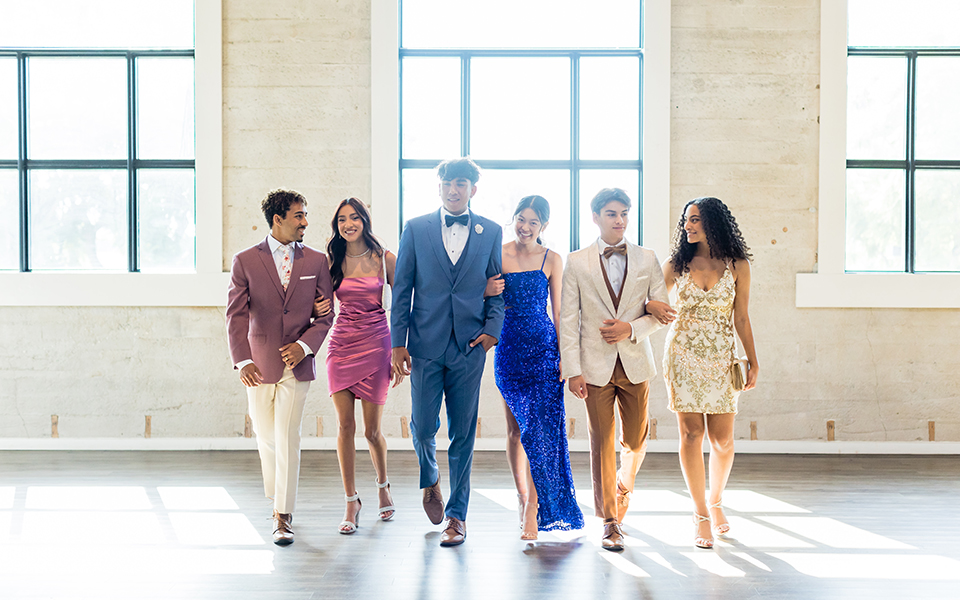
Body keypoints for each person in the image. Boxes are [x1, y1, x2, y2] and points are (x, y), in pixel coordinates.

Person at [390, 156, 505, 547]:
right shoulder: (416, 228)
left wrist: (492, 332)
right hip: (423, 344)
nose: (453, 190)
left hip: (470, 347)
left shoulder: (489, 230)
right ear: (438, 187)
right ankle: (431, 479)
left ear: (473, 188)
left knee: (463, 434)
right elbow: (402, 289)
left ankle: (457, 516)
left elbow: (498, 286)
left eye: (460, 184)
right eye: (447, 184)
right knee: (422, 428)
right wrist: (398, 343)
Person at [559, 188, 669, 552]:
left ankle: (624, 481)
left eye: (624, 213)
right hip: (594, 366)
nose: (619, 220)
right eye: (611, 213)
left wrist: (631, 329)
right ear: (595, 217)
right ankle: (609, 521)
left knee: (635, 440)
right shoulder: (576, 262)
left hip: (636, 362)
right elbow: (568, 319)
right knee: (601, 440)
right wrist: (573, 370)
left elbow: (661, 313)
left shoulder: (647, 258)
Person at [647, 196, 758, 550]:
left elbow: (741, 317)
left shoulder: (738, 265)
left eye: (694, 219)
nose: (687, 226)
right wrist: (652, 304)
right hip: (682, 355)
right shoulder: (677, 264)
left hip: (722, 358)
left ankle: (716, 500)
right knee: (692, 435)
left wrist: (753, 360)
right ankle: (701, 514)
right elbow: (647, 299)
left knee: (723, 439)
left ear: (712, 221)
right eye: (685, 221)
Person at [226, 189, 334, 546]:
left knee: (288, 437)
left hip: (297, 366)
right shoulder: (245, 260)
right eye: (298, 215)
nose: (305, 222)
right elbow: (236, 315)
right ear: (278, 219)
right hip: (257, 364)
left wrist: (304, 347)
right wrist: (242, 360)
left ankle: (283, 515)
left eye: (305, 215)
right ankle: (277, 497)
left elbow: (327, 314)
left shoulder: (317, 261)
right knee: (265, 435)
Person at [486, 195, 584, 541]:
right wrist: (485, 289)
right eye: (520, 219)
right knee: (515, 430)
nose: (525, 227)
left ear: (544, 226)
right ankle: (522, 496)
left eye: (533, 222)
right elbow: (478, 297)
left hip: (543, 351)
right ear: (513, 219)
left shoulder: (552, 259)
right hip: (509, 350)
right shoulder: (496, 253)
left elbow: (560, 314)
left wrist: (566, 360)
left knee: (540, 432)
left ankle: (535, 507)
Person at [316, 197, 397, 535]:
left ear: (365, 220)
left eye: (354, 218)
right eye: (341, 220)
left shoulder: (385, 258)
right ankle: (351, 500)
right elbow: (318, 303)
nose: (348, 224)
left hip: (377, 345)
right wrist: (319, 307)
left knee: (371, 431)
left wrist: (400, 351)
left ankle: (383, 486)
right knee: (344, 427)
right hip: (340, 346)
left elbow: (408, 302)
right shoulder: (330, 259)